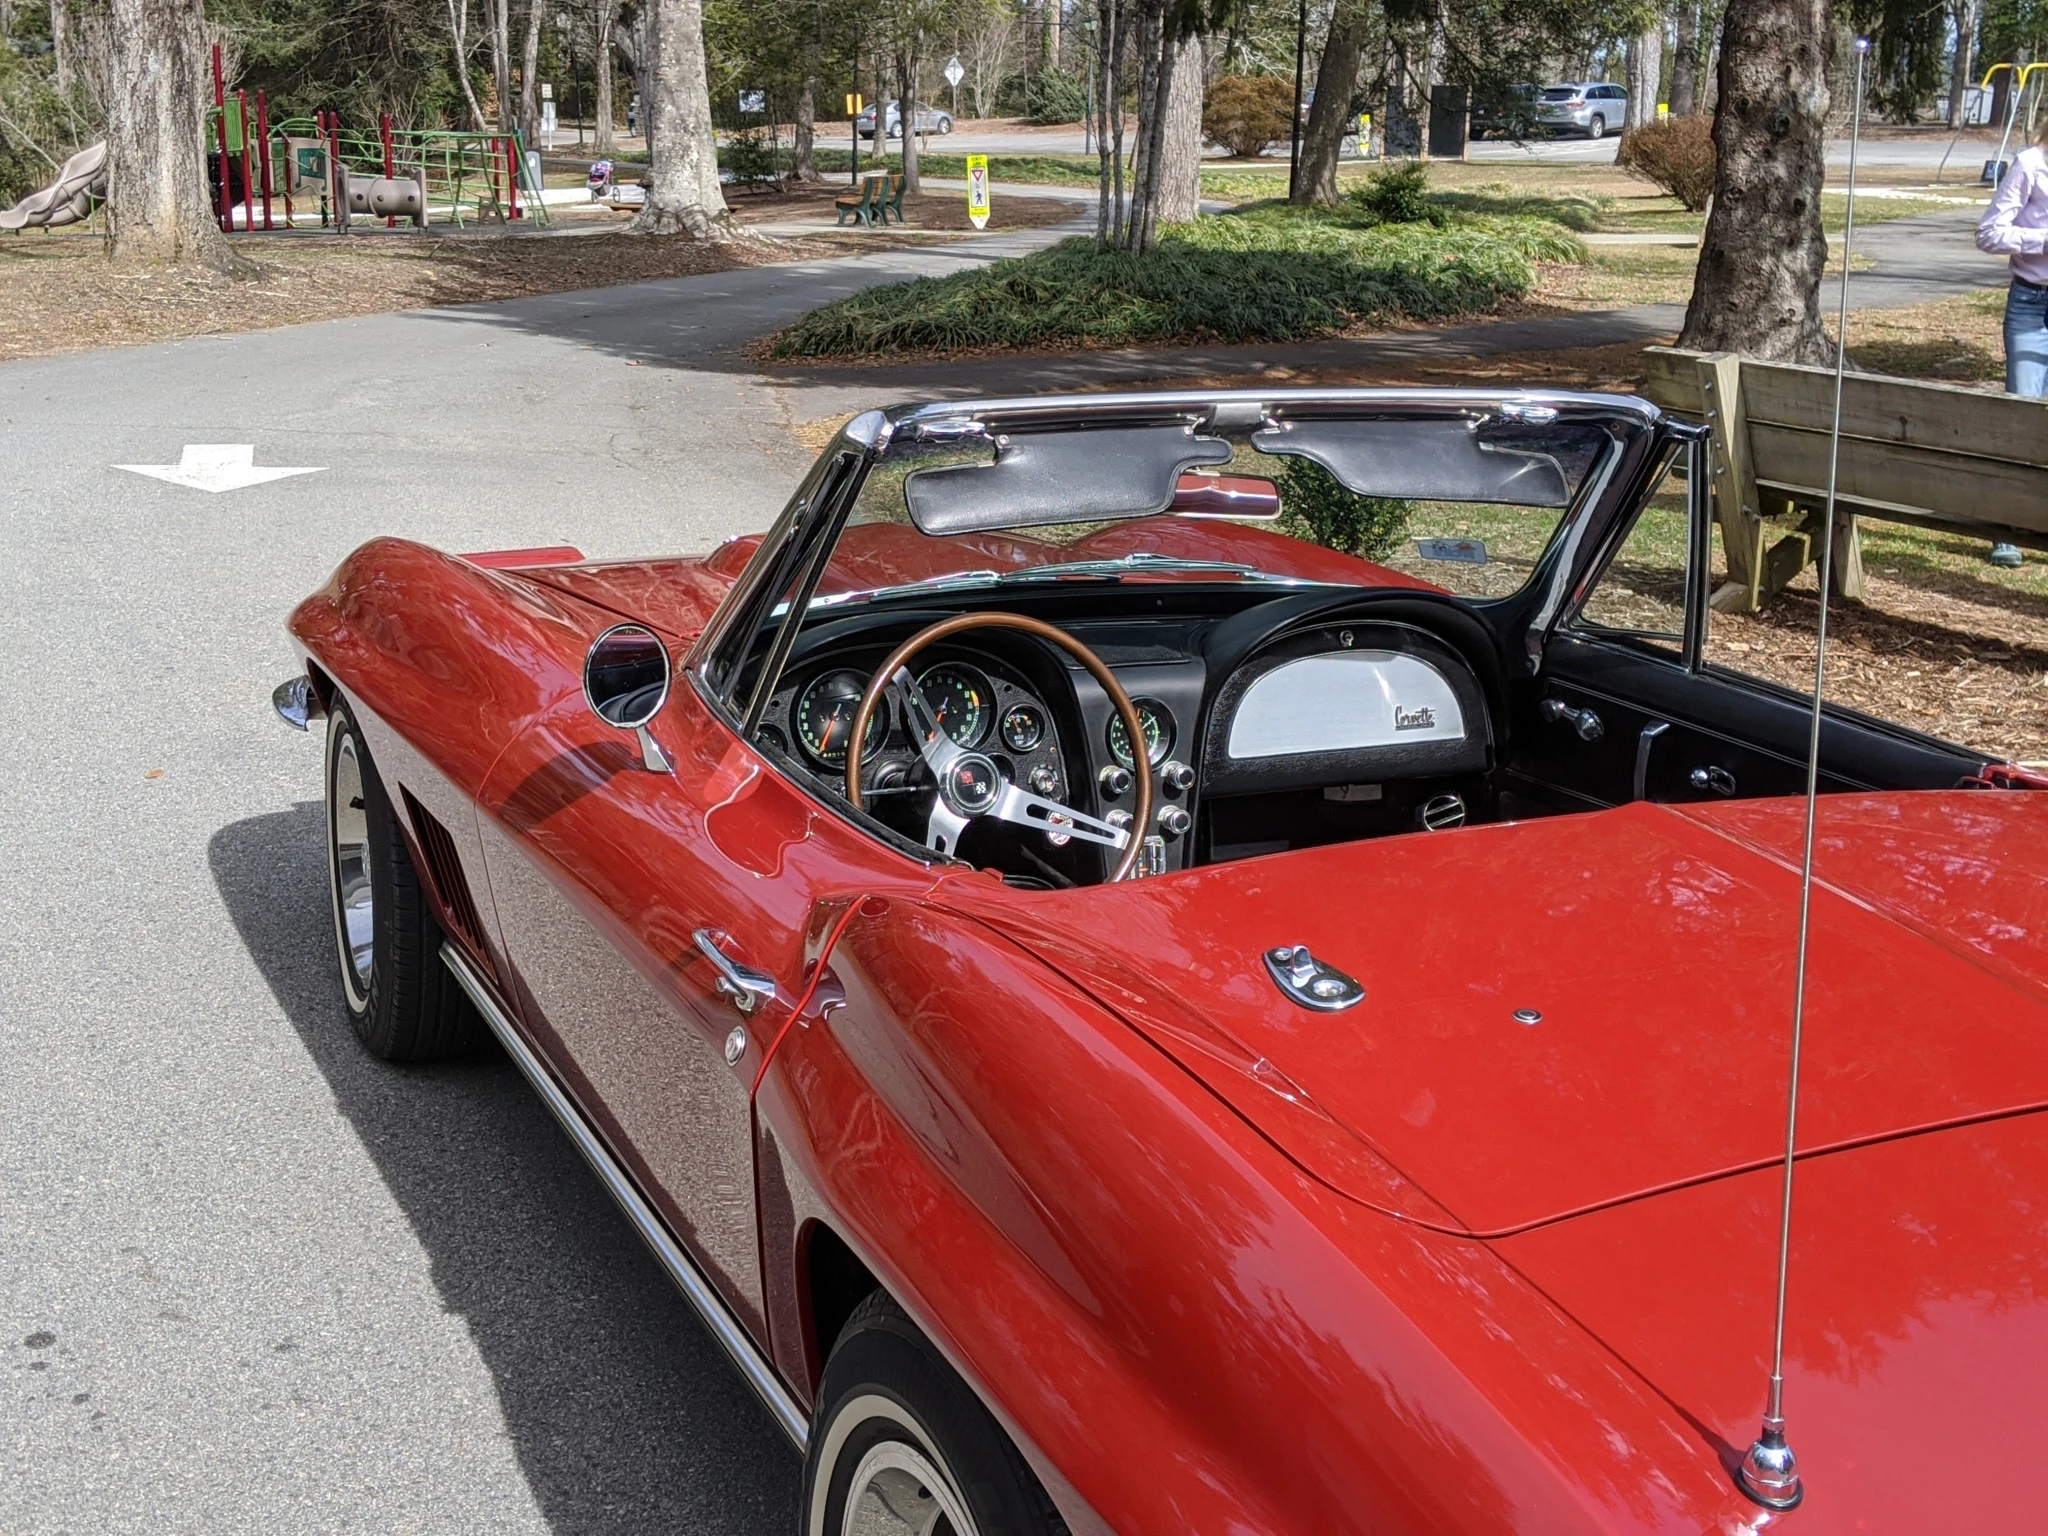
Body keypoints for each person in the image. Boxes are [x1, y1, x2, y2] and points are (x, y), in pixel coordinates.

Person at [1974, 130, 2048, 569]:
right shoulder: (2029, 165)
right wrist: (2042, 240)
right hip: (2031, 304)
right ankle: (2007, 529)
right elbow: (1989, 234)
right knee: (2021, 411)